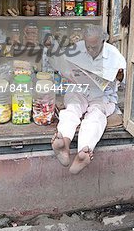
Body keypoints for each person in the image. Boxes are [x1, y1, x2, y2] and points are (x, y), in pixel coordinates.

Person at [46, 24, 126, 175]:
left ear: (103, 42)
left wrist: (119, 77)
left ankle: (84, 151)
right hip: (80, 90)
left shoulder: (114, 55)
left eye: (94, 47)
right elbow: (60, 65)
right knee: (71, 109)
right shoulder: (77, 48)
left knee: (95, 116)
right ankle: (64, 143)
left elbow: (125, 80)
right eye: (88, 46)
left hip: (103, 96)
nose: (90, 50)